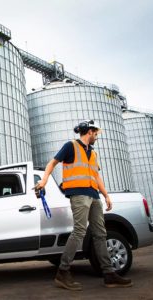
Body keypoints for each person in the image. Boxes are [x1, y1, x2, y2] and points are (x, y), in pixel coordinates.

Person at [34, 120, 133, 291]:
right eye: (96, 133)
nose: (97, 136)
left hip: (94, 195)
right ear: (89, 131)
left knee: (100, 233)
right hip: (79, 194)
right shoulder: (71, 146)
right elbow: (52, 163)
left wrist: (106, 195)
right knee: (80, 231)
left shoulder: (93, 153)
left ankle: (109, 274)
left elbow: (96, 176)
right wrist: (43, 181)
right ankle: (63, 272)